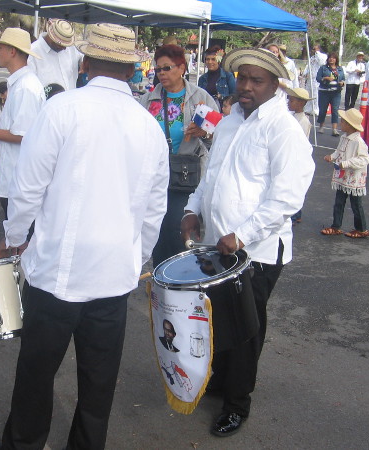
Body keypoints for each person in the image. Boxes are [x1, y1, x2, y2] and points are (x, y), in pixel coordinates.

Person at [0, 23, 169, 450]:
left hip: (55, 274)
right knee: (98, 385)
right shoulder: (148, 126)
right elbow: (154, 212)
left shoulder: (63, 109)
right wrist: (133, 259)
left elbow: (29, 189)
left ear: (85, 63)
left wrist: (12, 238)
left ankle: (23, 444)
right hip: (112, 280)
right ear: (130, 68)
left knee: (36, 373)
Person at [180, 47, 315, 437]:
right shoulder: (230, 122)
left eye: (257, 81)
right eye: (242, 78)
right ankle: (221, 382)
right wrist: (192, 209)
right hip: (216, 244)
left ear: (275, 86)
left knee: (245, 329)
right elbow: (211, 177)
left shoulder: (283, 129)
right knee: (218, 319)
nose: (247, 87)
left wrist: (243, 235)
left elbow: (288, 197)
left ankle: (238, 404)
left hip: (255, 252)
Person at [139, 44, 219, 268]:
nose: (161, 73)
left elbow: (219, 140)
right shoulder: (148, 100)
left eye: (167, 68)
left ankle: (180, 279)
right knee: (156, 228)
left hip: (187, 175)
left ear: (182, 67)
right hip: (156, 176)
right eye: (158, 69)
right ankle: (160, 279)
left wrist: (205, 133)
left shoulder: (200, 98)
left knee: (179, 227)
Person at [0, 28, 45, 219]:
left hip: (19, 181)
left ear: (12, 51)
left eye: (0, 48)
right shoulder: (20, 84)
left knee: (19, 238)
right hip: (14, 179)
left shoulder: (26, 87)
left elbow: (24, 134)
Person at [321, 109, 369, 239]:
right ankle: (336, 226)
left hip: (354, 178)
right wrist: (331, 157)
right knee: (339, 201)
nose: (340, 123)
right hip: (343, 177)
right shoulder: (344, 138)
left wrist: (347, 163)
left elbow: (364, 159)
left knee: (356, 204)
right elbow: (339, 151)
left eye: (343, 121)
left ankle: (361, 228)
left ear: (349, 125)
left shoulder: (358, 142)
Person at [27, 19, 83, 91]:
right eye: (60, 44)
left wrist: (84, 63)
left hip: (70, 100)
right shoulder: (33, 52)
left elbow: (84, 58)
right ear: (50, 36)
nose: (64, 48)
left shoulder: (72, 49)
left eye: (66, 45)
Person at [285, 86, 314, 225]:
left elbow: (300, 141)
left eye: (292, 100)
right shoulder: (291, 117)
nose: (289, 103)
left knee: (294, 186)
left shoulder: (304, 121)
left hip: (297, 156)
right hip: (291, 153)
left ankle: (296, 214)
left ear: (301, 103)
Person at [316, 52, 345, 136]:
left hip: (336, 92)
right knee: (323, 110)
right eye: (330, 58)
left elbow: (343, 79)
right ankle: (321, 126)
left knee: (335, 110)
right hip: (324, 91)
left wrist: (342, 83)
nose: (331, 59)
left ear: (336, 60)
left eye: (333, 58)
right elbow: (318, 78)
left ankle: (334, 129)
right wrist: (325, 78)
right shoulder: (323, 68)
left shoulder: (339, 69)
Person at [303, 44, 327, 115]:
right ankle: (308, 109)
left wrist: (317, 53)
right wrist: (305, 73)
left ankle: (316, 109)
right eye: (313, 49)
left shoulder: (323, 56)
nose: (314, 50)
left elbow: (321, 62)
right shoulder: (312, 58)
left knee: (315, 94)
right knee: (309, 93)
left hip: (317, 78)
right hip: (310, 78)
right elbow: (308, 66)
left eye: (315, 49)